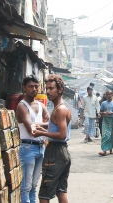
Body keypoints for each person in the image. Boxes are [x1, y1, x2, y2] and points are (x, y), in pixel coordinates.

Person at [32, 74, 71, 203]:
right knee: (60, 190)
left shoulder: (60, 110)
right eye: (47, 88)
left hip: (56, 152)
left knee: (44, 193)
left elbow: (62, 134)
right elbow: (56, 130)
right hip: (61, 151)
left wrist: (42, 134)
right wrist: (44, 130)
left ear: (60, 90)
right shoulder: (58, 108)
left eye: (51, 88)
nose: (48, 92)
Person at [16, 75, 49, 203]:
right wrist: (44, 125)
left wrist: (37, 124)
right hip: (28, 147)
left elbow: (53, 123)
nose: (34, 89)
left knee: (34, 185)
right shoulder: (22, 106)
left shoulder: (40, 105)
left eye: (36, 86)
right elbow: (32, 130)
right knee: (26, 186)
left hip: (41, 147)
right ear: (24, 88)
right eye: (30, 86)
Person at [98, 91, 113, 156]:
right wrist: (104, 113)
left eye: (110, 94)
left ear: (112, 95)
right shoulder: (103, 103)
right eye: (107, 94)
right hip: (106, 121)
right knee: (105, 135)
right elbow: (100, 112)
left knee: (112, 135)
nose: (109, 95)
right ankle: (104, 151)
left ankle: (111, 150)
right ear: (106, 95)